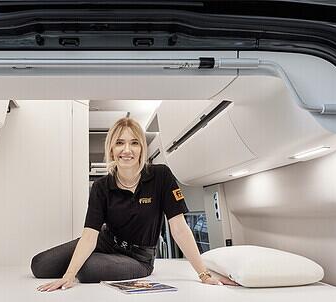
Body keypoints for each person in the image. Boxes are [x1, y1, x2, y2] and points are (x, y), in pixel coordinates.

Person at [31, 117, 236, 291]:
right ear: (112, 148)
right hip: (106, 242)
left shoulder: (161, 176)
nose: (127, 150)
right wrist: (69, 274)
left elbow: (179, 229)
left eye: (134, 143)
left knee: (87, 269)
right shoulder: (101, 186)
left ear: (142, 148)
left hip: (138, 257)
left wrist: (204, 274)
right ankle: (88, 261)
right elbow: (90, 235)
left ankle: (92, 262)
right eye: (120, 143)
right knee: (39, 265)